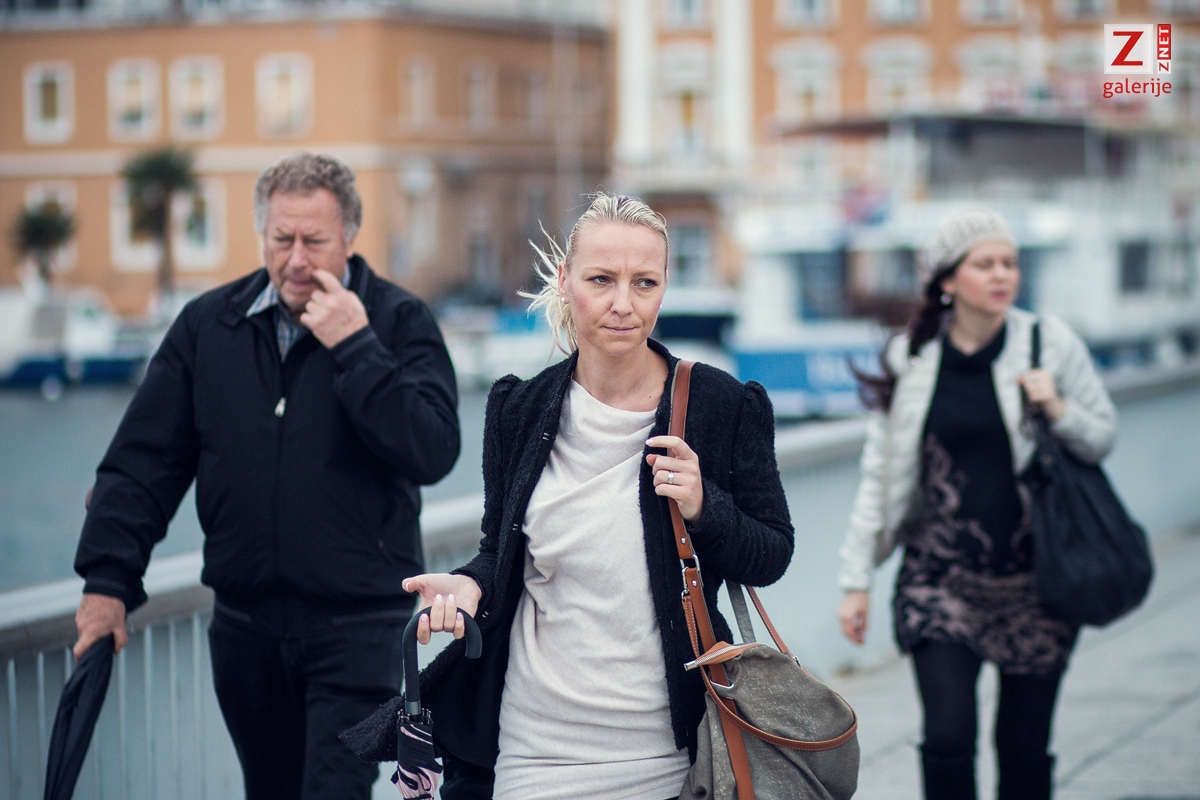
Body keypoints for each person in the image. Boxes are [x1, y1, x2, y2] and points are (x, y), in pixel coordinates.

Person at [71, 152, 460, 800]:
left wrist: (356, 347)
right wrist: (108, 580)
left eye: (315, 241)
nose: (297, 259)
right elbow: (145, 462)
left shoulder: (397, 321)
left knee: (332, 790)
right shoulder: (208, 325)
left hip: (356, 630)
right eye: (282, 240)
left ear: (349, 238)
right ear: (262, 235)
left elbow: (434, 449)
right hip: (244, 631)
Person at [401, 194, 794, 800]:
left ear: (664, 289)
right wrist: (471, 585)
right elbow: (498, 552)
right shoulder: (517, 408)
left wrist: (703, 506)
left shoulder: (723, 406)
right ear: (565, 280)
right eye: (601, 279)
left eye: (644, 283)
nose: (623, 304)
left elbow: (772, 552)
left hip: (669, 757)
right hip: (534, 748)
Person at [836, 209, 1117, 800]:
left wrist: (1057, 408)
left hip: (1037, 583)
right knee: (947, 735)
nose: (1001, 275)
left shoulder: (1049, 344)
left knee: (1022, 747)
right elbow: (880, 475)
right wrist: (856, 579)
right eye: (984, 264)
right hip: (939, 580)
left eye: (1009, 263)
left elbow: (1102, 437)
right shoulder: (910, 358)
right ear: (947, 280)